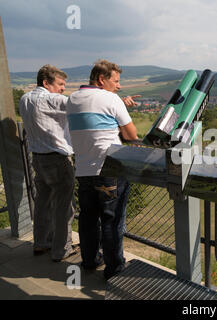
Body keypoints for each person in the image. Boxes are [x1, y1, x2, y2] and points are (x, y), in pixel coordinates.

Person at [67, 59, 138, 280]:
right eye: (116, 81)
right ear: (101, 79)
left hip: (83, 170)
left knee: (88, 218)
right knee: (112, 220)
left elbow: (93, 121)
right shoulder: (111, 98)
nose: (118, 86)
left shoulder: (72, 98)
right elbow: (131, 136)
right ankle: (114, 269)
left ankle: (89, 260)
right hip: (109, 169)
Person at [19, 64, 78, 262]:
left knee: (43, 203)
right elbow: (80, 106)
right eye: (60, 84)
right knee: (64, 206)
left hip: (37, 158)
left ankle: (41, 243)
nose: (63, 89)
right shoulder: (51, 99)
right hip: (58, 159)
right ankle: (61, 250)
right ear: (46, 83)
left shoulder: (24, 99)